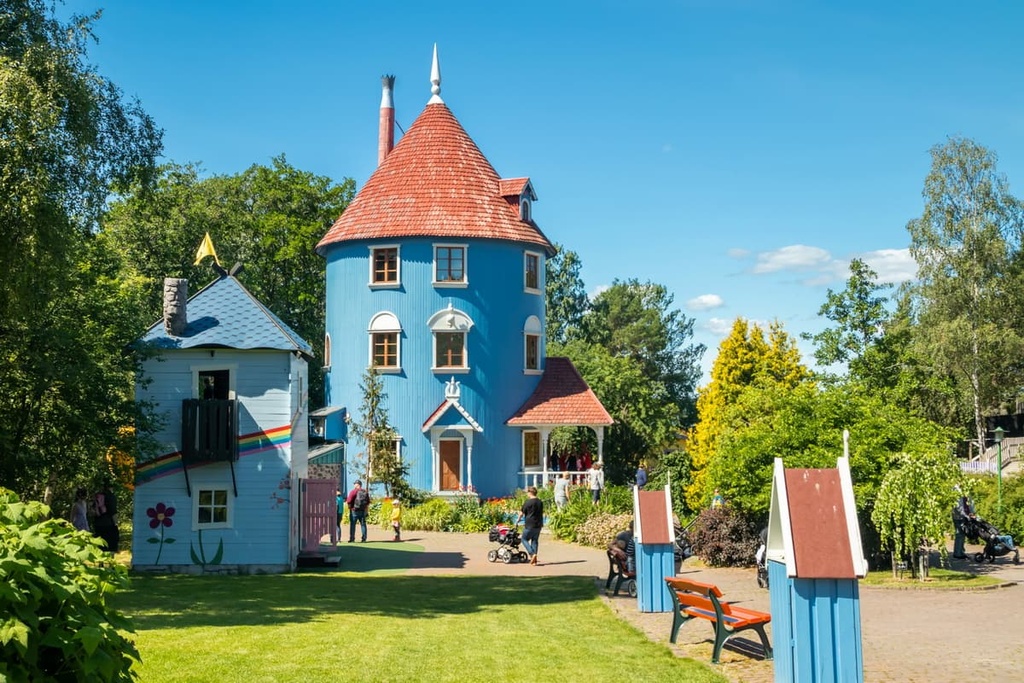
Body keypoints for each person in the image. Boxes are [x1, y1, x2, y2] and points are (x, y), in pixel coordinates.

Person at [517, 486, 544, 565]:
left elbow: (521, 513)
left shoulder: (527, 502)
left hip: (529, 524)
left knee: (524, 539)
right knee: (534, 540)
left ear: (530, 492)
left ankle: (532, 553)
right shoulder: (540, 502)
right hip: (538, 524)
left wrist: (518, 520)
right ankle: (534, 561)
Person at [92, 480, 119, 552]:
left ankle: (101, 561)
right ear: (111, 487)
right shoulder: (111, 496)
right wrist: (116, 523)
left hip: (98, 523)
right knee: (111, 544)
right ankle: (111, 561)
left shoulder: (98, 496)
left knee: (101, 543)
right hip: (109, 523)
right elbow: (113, 511)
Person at [952, 494, 972, 559]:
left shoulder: (966, 489)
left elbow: (970, 502)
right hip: (958, 517)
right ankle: (957, 553)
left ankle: (960, 552)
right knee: (959, 534)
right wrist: (965, 515)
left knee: (963, 534)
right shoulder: (956, 490)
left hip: (965, 516)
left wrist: (972, 512)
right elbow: (958, 506)